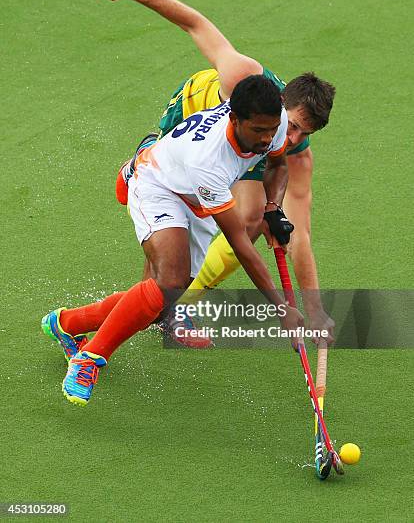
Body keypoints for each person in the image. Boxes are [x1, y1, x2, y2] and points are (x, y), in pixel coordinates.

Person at [97, 0, 336, 343]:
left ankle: (174, 305)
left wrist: (315, 309)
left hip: (244, 145)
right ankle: (142, 164)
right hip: (191, 124)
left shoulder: (290, 149)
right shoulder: (241, 74)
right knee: (171, 251)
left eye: (305, 134)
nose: (293, 138)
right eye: (292, 126)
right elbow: (194, 23)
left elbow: (298, 231)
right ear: (280, 100)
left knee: (254, 216)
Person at [42, 75, 304, 405]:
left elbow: (278, 165)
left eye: (271, 129)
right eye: (258, 131)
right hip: (159, 186)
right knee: (170, 281)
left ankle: (67, 323)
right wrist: (282, 309)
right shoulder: (208, 159)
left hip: (198, 200)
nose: (267, 138)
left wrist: (272, 208)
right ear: (235, 119)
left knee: (161, 304)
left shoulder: (273, 121)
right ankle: (89, 359)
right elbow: (239, 243)